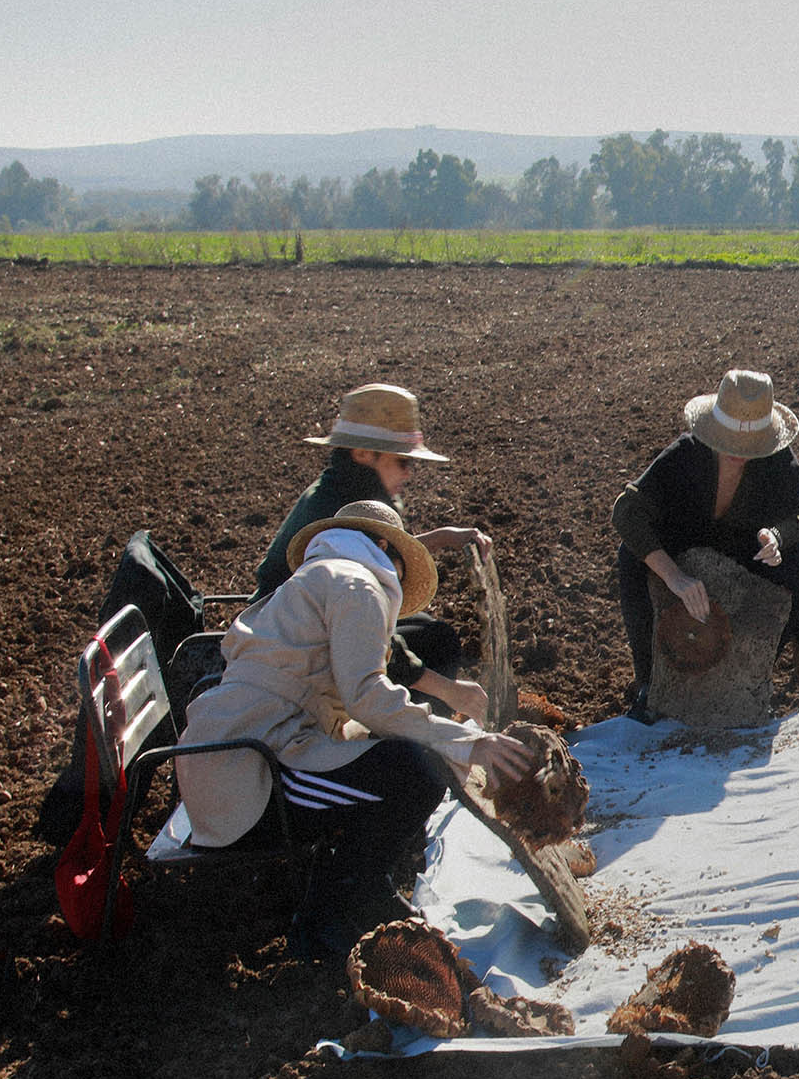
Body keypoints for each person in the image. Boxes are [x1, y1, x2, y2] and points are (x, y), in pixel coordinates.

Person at [179, 501, 534, 962]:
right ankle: (329, 912)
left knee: (395, 757)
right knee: (414, 771)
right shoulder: (357, 586)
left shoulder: (326, 575)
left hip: (230, 753)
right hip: (248, 777)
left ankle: (365, 886)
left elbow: (372, 677)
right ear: (384, 548)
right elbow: (367, 694)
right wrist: (465, 741)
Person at [257, 383, 491, 723]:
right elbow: (374, 635)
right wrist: (448, 690)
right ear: (364, 454)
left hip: (308, 631)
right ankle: (417, 748)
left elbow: (371, 558)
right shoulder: (336, 514)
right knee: (433, 643)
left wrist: (440, 538)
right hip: (293, 656)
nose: (408, 473)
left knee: (428, 631)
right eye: (401, 461)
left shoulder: (342, 492)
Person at [613, 370, 799, 720]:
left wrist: (776, 537)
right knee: (631, 557)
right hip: (684, 544)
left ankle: (755, 679)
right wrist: (673, 576)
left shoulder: (779, 463)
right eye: (729, 440)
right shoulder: (685, 455)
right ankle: (648, 681)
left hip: (743, 551)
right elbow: (626, 511)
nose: (737, 452)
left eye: (747, 445)